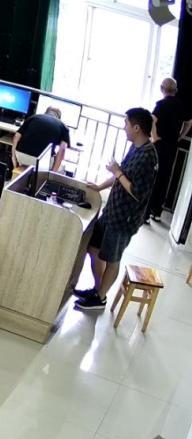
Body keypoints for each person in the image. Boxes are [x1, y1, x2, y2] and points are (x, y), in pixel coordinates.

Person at [74, 108, 158, 311]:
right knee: (93, 248)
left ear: (136, 128)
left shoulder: (148, 156)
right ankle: (97, 289)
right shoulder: (135, 147)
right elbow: (121, 174)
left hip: (124, 219)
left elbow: (137, 192)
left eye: (126, 124)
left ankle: (100, 298)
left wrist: (118, 172)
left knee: (112, 259)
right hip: (112, 210)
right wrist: (100, 186)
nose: (124, 127)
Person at [148, 78, 192, 222]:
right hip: (172, 146)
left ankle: (146, 213)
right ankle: (157, 211)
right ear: (175, 90)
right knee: (165, 178)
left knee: (153, 176)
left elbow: (152, 120)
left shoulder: (161, 104)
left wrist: (154, 136)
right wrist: (180, 137)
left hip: (159, 145)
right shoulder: (180, 106)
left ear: (162, 89)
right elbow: (189, 122)